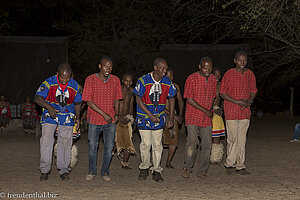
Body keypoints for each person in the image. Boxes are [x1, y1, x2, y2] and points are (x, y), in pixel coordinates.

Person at [35, 63, 82, 181]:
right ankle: (45, 169)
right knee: (46, 140)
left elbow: (78, 103)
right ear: (57, 74)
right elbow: (38, 98)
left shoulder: (75, 85)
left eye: (67, 78)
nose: (64, 80)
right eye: (62, 77)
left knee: (65, 141)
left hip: (67, 115)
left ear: (71, 76)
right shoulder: (49, 82)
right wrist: (49, 107)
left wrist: (78, 117)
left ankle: (64, 169)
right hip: (50, 114)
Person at [134, 58, 176, 182]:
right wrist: (149, 114)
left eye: (166, 68)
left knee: (158, 145)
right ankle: (144, 167)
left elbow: (172, 98)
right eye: (162, 68)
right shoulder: (143, 80)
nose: (164, 71)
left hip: (159, 117)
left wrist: (171, 117)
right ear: (155, 67)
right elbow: (138, 99)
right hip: (144, 116)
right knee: (146, 144)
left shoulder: (167, 82)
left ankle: (156, 169)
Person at [82, 56, 123, 181]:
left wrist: (116, 112)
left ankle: (105, 171)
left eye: (110, 66)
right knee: (93, 147)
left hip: (110, 121)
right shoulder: (90, 79)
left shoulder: (115, 80)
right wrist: (104, 114)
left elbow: (118, 98)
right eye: (106, 66)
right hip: (95, 119)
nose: (108, 69)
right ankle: (92, 171)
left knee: (109, 147)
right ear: (100, 66)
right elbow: (88, 101)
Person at [220, 50, 257, 175]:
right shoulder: (229, 74)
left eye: (244, 60)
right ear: (235, 61)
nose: (242, 62)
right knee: (232, 138)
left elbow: (253, 89)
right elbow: (223, 93)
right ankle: (229, 164)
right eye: (240, 60)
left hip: (245, 111)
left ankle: (240, 165)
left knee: (242, 139)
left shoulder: (250, 74)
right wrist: (236, 102)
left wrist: (250, 100)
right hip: (231, 110)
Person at [181, 57, 217, 178]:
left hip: (206, 117)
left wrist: (210, 109)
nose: (208, 70)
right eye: (205, 68)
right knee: (192, 142)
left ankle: (203, 170)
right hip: (193, 115)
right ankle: (187, 168)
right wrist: (205, 110)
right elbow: (189, 99)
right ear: (200, 67)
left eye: (210, 68)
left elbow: (213, 97)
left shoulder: (213, 79)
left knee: (207, 144)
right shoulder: (191, 78)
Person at [162, 68, 184, 169]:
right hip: (161, 114)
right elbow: (159, 106)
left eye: (171, 76)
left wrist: (180, 114)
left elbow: (180, 101)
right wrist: (173, 115)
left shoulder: (175, 87)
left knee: (173, 141)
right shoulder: (159, 87)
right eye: (167, 76)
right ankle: (156, 162)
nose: (169, 78)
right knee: (159, 140)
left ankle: (168, 162)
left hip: (172, 115)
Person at [115, 73, 136, 169]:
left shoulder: (131, 91)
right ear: (122, 81)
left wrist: (130, 117)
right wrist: (118, 116)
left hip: (126, 118)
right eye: (126, 81)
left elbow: (131, 105)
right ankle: (113, 152)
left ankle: (125, 163)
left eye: (130, 81)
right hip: (118, 118)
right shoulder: (119, 90)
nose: (128, 83)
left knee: (128, 141)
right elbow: (116, 103)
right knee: (116, 141)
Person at [210, 68, 226, 164]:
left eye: (219, 75)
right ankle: (207, 156)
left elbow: (224, 99)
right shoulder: (208, 84)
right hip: (208, 111)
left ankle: (216, 158)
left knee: (216, 137)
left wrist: (221, 109)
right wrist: (212, 109)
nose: (217, 76)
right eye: (215, 74)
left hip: (217, 112)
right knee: (207, 137)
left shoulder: (221, 86)